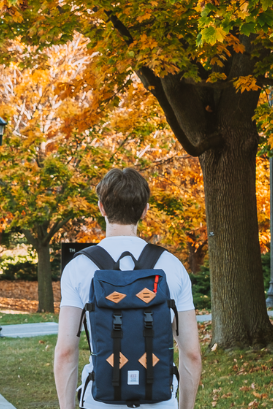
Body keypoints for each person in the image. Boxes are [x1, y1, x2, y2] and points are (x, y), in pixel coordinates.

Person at [53, 168, 202, 409]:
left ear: (101, 208)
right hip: (159, 401)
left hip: (99, 401)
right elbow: (192, 354)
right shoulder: (172, 267)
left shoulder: (79, 268)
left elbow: (66, 353)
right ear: (144, 210)